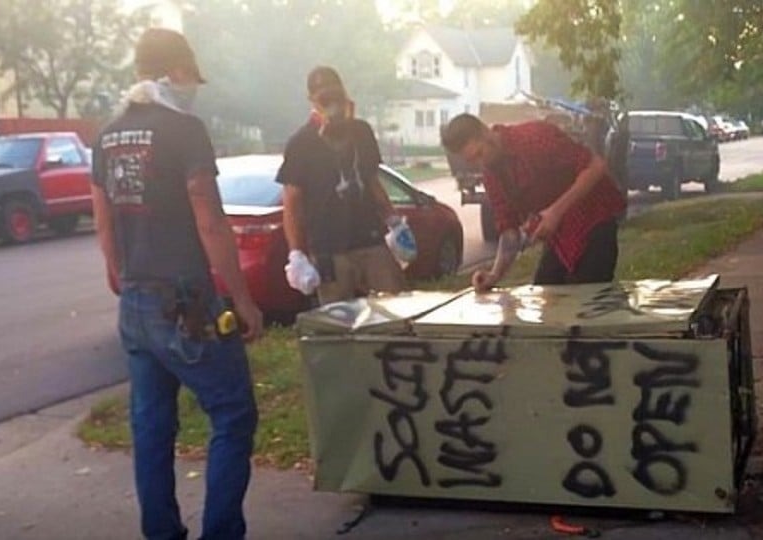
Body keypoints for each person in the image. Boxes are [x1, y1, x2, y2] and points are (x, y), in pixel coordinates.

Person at [90, 28, 261, 540]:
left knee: (151, 428)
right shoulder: (184, 130)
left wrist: (122, 274)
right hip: (184, 301)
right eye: (193, 77)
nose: (194, 87)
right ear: (179, 71)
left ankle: (162, 532)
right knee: (233, 413)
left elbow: (103, 222)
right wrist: (243, 299)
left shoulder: (107, 134)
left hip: (138, 303)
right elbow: (209, 219)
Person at [440, 113, 626, 291]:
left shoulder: (535, 137)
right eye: (473, 161)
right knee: (544, 297)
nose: (482, 164)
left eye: (480, 153)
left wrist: (555, 212)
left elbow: (595, 166)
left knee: (586, 301)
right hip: (559, 237)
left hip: (594, 219)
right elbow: (509, 230)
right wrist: (494, 275)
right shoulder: (491, 176)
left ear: (485, 131)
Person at [279, 66, 413, 305]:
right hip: (329, 248)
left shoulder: (361, 132)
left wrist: (394, 222)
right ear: (313, 101)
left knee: (397, 301)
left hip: (369, 238)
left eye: (336, 96)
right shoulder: (301, 143)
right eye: (325, 98)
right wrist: (297, 253)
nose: (333, 104)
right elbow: (292, 201)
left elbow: (372, 181)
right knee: (339, 318)